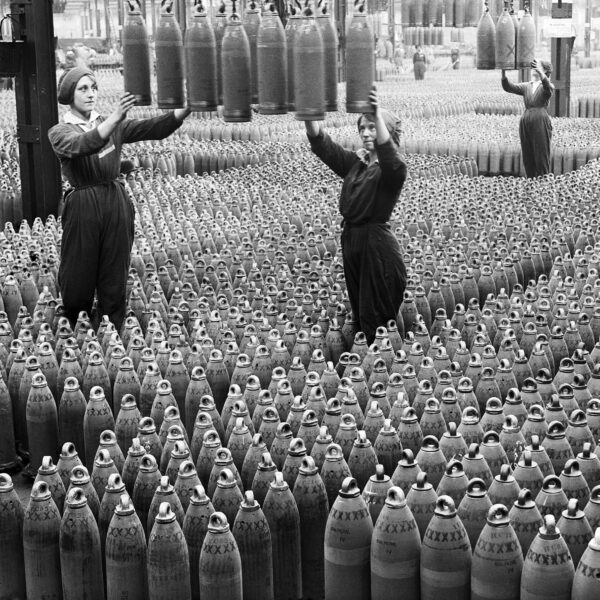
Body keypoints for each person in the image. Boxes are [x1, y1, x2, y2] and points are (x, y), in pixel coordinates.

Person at [48, 66, 191, 331]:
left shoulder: (111, 124)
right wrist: (113, 119)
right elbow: (84, 145)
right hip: (83, 204)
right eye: (83, 88)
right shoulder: (60, 131)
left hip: (115, 200)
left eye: (94, 88)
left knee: (115, 267)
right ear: (70, 95)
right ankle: (75, 326)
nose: (91, 94)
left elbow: (152, 128)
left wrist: (185, 109)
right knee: (78, 270)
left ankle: (111, 327)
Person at [304, 86, 407, 345]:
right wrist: (307, 112)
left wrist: (375, 113)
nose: (365, 133)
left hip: (377, 249)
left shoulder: (393, 170)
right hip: (353, 243)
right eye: (362, 128)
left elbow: (390, 157)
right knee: (361, 315)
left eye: (372, 127)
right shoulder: (356, 165)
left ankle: (382, 370)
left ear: (387, 131)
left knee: (376, 320)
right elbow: (323, 145)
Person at [501, 59, 554, 178]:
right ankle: (531, 180)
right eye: (534, 67)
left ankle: (544, 180)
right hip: (526, 118)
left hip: (540, 118)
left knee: (541, 151)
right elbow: (509, 87)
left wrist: (541, 73)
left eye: (538, 66)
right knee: (527, 152)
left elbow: (548, 87)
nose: (534, 68)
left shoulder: (547, 85)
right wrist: (503, 74)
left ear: (545, 70)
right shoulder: (527, 86)